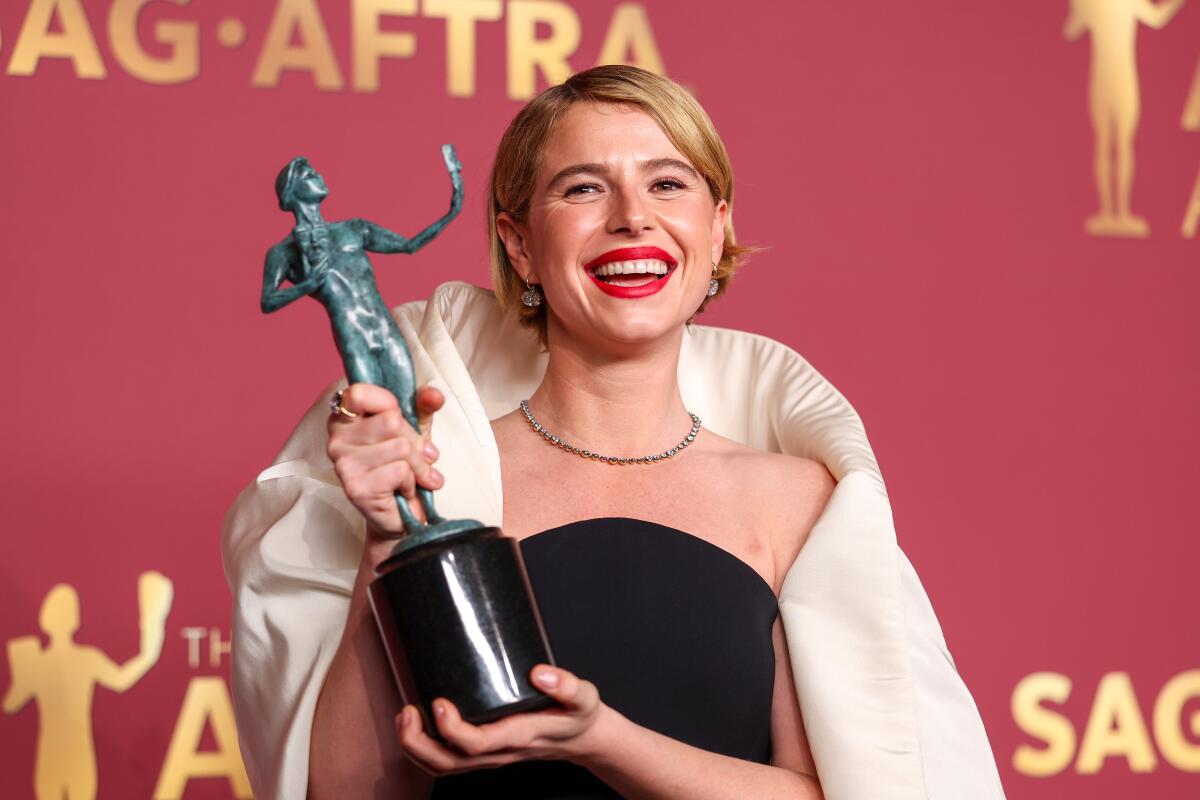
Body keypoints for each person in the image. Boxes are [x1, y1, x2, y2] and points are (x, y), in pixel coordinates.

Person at [222, 65, 1006, 799]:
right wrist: (388, 540)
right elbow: (348, 792)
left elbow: (829, 790)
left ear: (716, 230)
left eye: (667, 183)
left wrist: (604, 740)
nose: (633, 217)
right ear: (520, 245)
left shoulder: (798, 501)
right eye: (584, 188)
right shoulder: (444, 473)